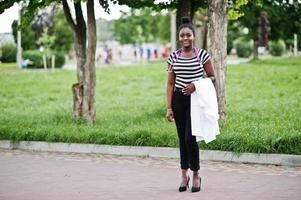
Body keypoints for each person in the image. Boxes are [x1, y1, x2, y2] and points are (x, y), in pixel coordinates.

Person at [166, 16, 216, 193]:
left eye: (188, 35)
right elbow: (171, 83)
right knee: (182, 138)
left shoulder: (202, 55)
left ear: (193, 36)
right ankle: (183, 175)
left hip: (196, 100)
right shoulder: (173, 56)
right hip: (178, 100)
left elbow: (212, 77)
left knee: (190, 138)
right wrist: (169, 107)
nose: (185, 38)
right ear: (179, 38)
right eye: (182, 36)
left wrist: (196, 85)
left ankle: (196, 174)